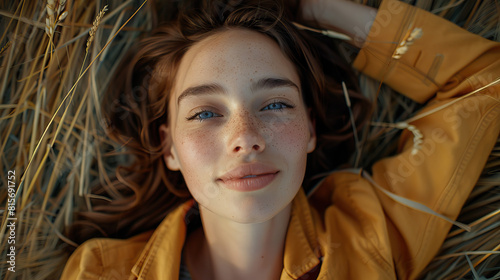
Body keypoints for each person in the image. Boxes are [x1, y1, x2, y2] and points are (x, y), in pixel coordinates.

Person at [61, 0, 500, 279]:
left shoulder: (372, 241)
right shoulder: (101, 273)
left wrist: (317, 9)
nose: (246, 138)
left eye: (274, 105)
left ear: (310, 128)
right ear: (170, 148)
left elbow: (485, 82)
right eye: (206, 113)